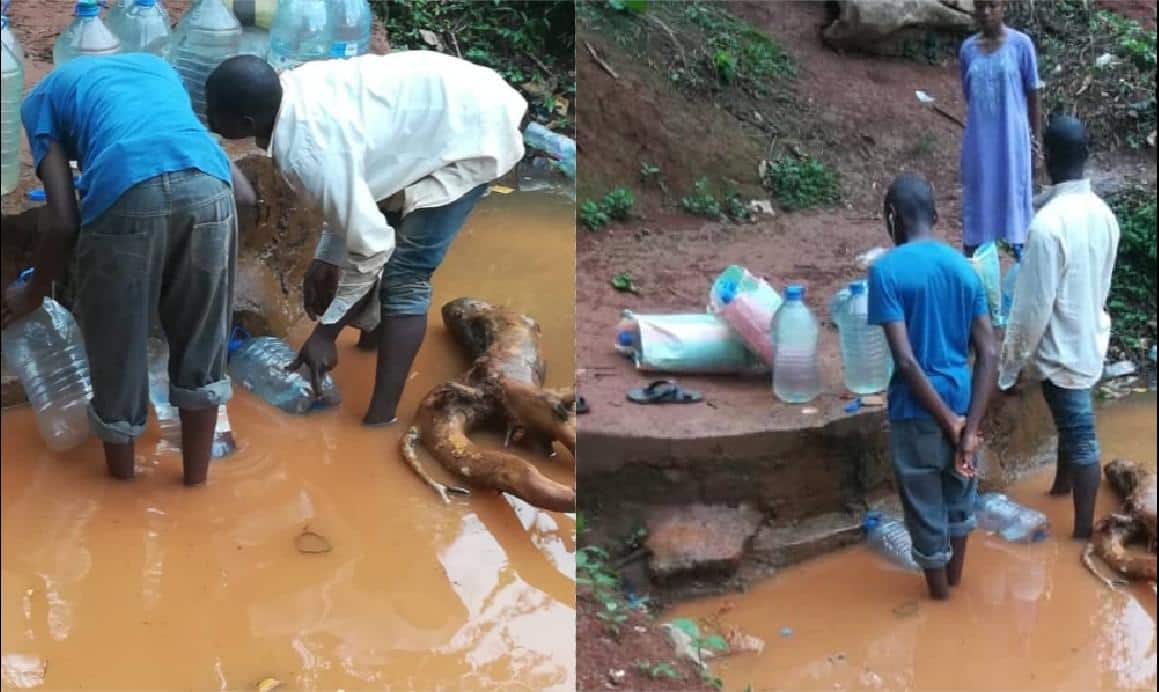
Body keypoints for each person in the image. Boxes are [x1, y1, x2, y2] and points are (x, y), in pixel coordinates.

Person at [203, 51, 528, 427]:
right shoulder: (291, 92)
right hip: (443, 109)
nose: (207, 119)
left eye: (213, 113)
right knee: (375, 231)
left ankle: (380, 419)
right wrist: (328, 255)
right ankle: (372, 342)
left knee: (405, 276)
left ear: (246, 122)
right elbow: (355, 184)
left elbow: (372, 244)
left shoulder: (307, 155)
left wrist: (325, 334)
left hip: (474, 130)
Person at [1, 53, 256, 485]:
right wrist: (210, 266)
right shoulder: (162, 72)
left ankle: (121, 489)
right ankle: (196, 483)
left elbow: (62, 220)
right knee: (202, 350)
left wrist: (33, 292)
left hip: (126, 192)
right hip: (212, 193)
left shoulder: (39, 100)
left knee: (117, 349)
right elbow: (246, 199)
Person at [868, 173, 999, 600]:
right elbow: (990, 353)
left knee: (926, 512)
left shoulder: (885, 271)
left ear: (893, 217)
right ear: (935, 215)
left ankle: (941, 603)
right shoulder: (966, 269)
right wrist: (968, 428)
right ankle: (956, 587)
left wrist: (946, 423)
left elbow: (906, 360)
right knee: (960, 500)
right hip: (964, 402)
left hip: (918, 412)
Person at [998, 116, 1120, 539]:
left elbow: (1031, 311)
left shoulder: (1048, 227)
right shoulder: (1104, 215)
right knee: (1072, 428)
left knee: (1082, 439)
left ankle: (1084, 534)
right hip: (1089, 337)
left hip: (1061, 350)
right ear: (1087, 157)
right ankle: (1060, 487)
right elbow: (1101, 284)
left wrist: (1008, 369)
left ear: (1045, 158)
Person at [959, 0, 1042, 258]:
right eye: (980, 6)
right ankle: (976, 271)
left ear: (1003, 7)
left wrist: (1035, 143)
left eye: (992, 5)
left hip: (1011, 142)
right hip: (979, 143)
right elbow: (968, 93)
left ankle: (1022, 266)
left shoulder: (1020, 45)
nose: (985, 12)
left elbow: (1034, 93)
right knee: (979, 202)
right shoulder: (968, 49)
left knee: (1015, 203)